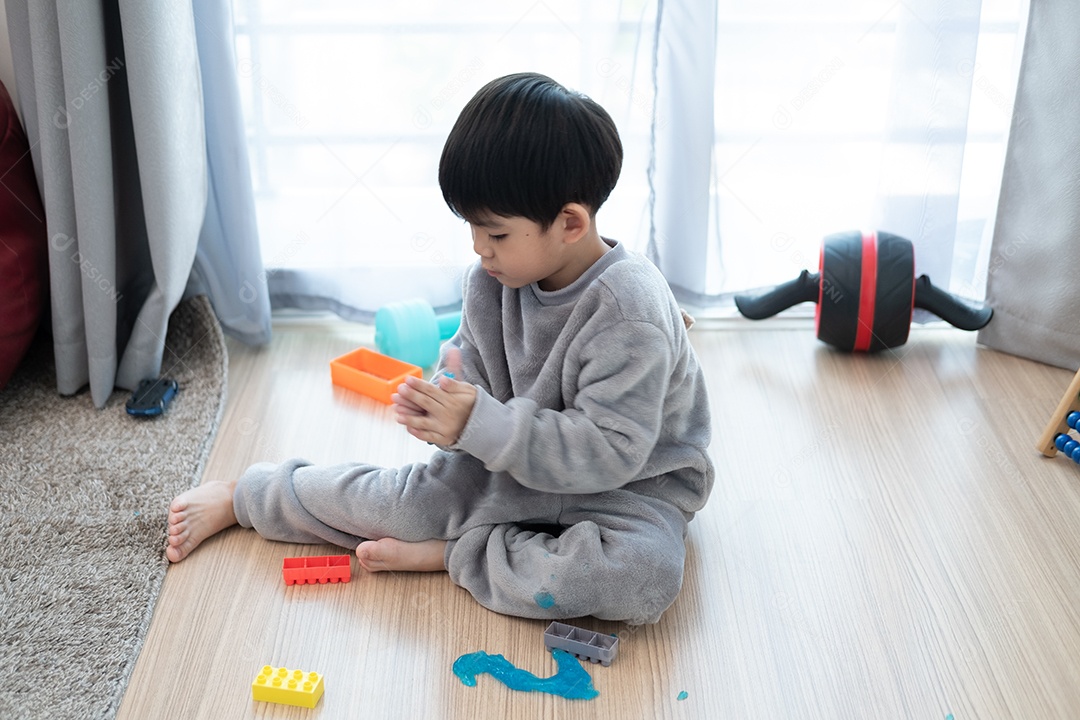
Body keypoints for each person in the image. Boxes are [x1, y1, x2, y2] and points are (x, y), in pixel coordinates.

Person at [166, 72, 715, 625]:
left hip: (629, 488)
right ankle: (250, 495)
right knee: (395, 502)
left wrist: (481, 425)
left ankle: (456, 554)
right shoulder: (490, 280)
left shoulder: (629, 312)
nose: (479, 248)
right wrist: (444, 395)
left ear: (570, 222)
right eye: (472, 228)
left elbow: (610, 451)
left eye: (496, 233)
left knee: (643, 579)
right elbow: (467, 360)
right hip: (511, 467)